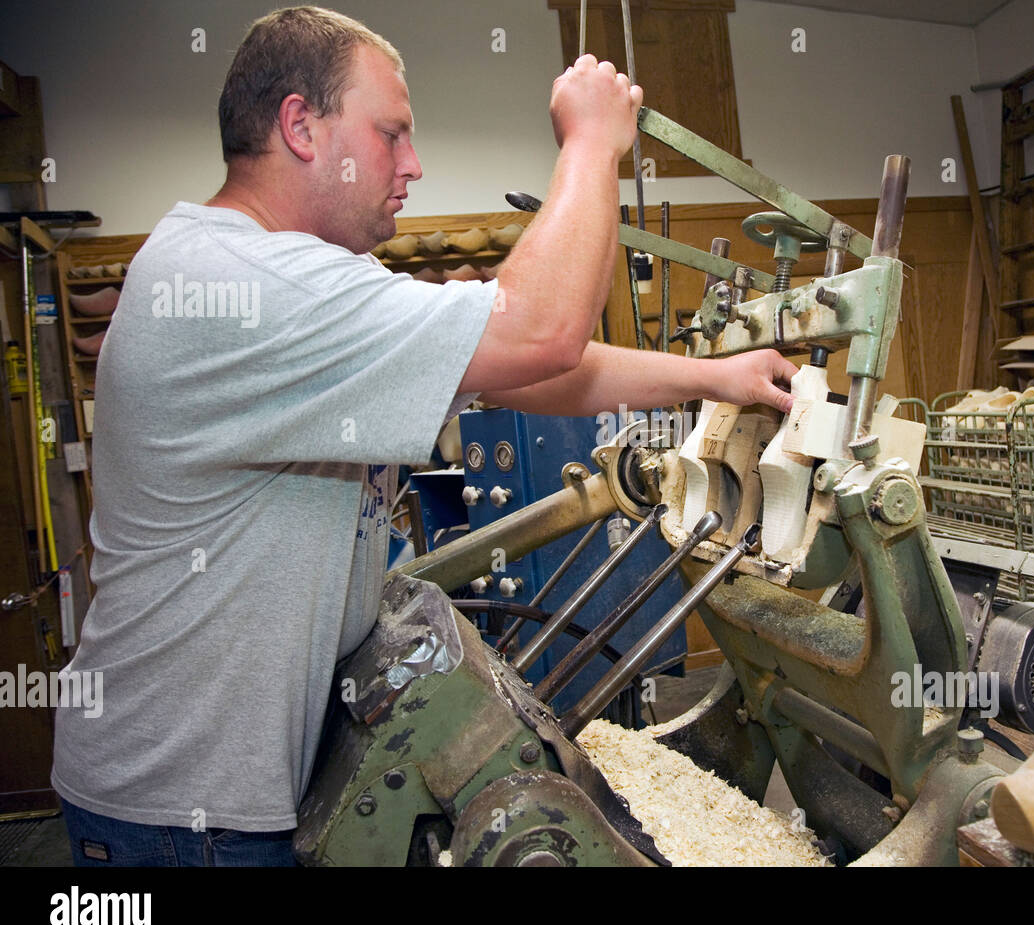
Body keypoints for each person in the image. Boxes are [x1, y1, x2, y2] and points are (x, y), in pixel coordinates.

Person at [52, 6, 796, 867]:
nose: (413, 165)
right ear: (301, 125)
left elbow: (534, 366)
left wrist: (713, 378)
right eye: (391, 134)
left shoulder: (308, 275)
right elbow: (542, 328)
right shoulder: (243, 284)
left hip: (231, 790)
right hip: (181, 811)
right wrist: (590, 144)